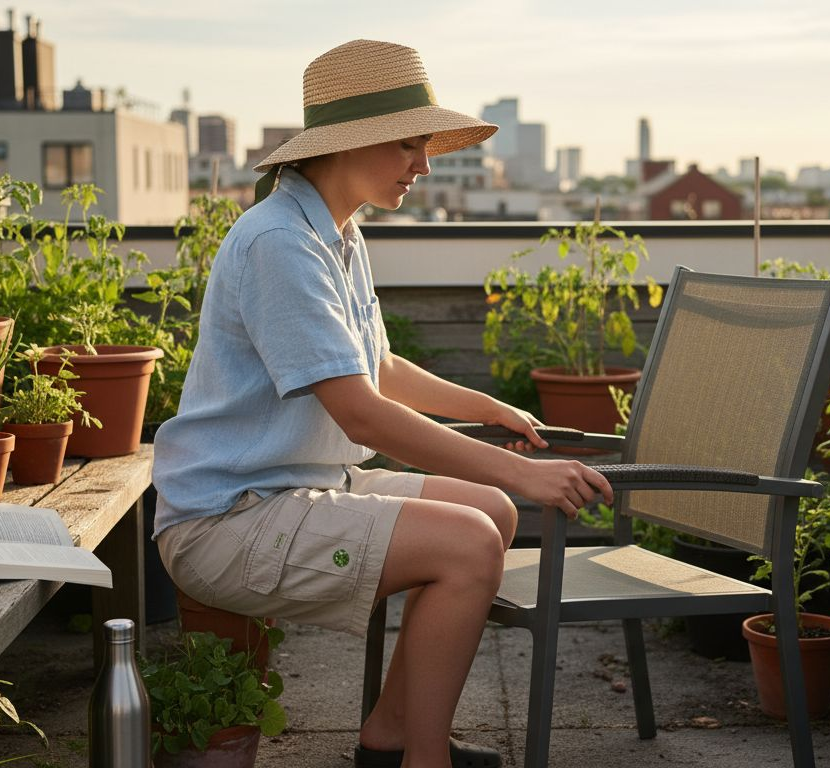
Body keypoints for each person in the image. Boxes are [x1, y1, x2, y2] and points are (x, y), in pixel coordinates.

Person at [151, 39, 613, 768]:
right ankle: (419, 759)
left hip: (295, 486)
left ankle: (390, 737)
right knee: (470, 542)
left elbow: (379, 365)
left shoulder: (336, 228)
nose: (423, 165)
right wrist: (520, 473)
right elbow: (361, 412)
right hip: (228, 519)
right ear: (349, 143)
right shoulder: (279, 243)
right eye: (409, 144)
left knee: (487, 514)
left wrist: (487, 407)